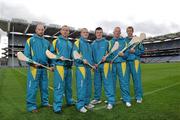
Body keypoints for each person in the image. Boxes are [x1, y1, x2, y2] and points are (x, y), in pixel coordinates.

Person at [24, 24, 52, 112]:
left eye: (42, 29)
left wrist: (51, 65)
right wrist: (32, 63)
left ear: (44, 30)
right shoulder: (30, 40)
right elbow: (27, 55)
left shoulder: (47, 42)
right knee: (32, 88)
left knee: (44, 87)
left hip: (44, 69)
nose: (41, 31)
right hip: (34, 68)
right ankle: (31, 106)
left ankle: (45, 102)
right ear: (36, 30)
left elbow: (50, 55)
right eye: (39, 29)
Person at [50, 25, 74, 113]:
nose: (65, 32)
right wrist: (53, 64)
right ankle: (57, 107)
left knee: (68, 87)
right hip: (60, 67)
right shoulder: (56, 41)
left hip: (69, 68)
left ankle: (70, 101)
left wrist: (73, 59)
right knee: (59, 87)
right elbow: (51, 54)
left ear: (68, 32)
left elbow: (72, 55)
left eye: (67, 30)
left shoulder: (70, 43)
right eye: (64, 30)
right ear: (60, 31)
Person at [91, 27, 115, 110]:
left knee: (108, 84)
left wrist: (106, 58)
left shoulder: (107, 43)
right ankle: (97, 99)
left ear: (102, 33)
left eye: (100, 32)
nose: (99, 34)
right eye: (97, 32)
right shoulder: (92, 44)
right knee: (97, 84)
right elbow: (91, 56)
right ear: (95, 33)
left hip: (105, 66)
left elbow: (111, 55)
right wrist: (93, 63)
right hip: (96, 66)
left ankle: (111, 101)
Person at [73, 28, 95, 113]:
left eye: (87, 32)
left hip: (88, 68)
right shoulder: (77, 42)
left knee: (88, 87)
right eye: (84, 32)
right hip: (81, 68)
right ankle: (80, 105)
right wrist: (82, 60)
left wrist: (92, 64)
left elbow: (90, 57)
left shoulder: (88, 44)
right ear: (81, 33)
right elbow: (75, 55)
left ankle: (87, 103)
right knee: (81, 87)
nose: (86, 33)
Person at [109, 27, 131, 107]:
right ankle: (111, 101)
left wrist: (124, 55)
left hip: (122, 64)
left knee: (124, 83)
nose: (117, 33)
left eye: (119, 31)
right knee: (112, 83)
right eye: (116, 31)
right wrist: (109, 59)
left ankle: (127, 99)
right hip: (113, 65)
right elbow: (108, 54)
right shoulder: (110, 42)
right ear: (113, 32)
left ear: (120, 32)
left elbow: (128, 54)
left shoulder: (124, 42)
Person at [125, 26, 144, 104]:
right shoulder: (124, 40)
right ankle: (126, 96)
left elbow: (142, 51)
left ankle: (138, 97)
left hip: (135, 62)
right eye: (128, 31)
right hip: (126, 62)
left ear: (133, 31)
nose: (129, 32)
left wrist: (135, 51)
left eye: (130, 31)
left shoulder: (137, 40)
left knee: (137, 80)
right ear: (126, 31)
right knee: (125, 81)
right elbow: (123, 51)